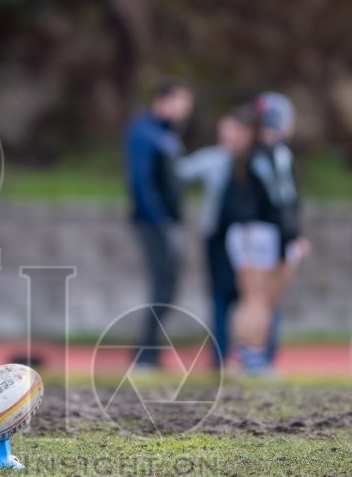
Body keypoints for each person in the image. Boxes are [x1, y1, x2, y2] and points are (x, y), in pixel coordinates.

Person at [227, 92, 308, 375]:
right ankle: (251, 357)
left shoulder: (256, 150)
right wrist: (292, 234)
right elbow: (281, 199)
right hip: (258, 231)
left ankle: (247, 355)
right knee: (257, 299)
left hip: (259, 231)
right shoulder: (268, 153)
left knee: (257, 299)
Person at [177, 105, 259, 368]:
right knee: (220, 297)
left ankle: (252, 356)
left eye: (234, 128)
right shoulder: (213, 159)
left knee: (250, 296)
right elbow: (179, 172)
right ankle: (220, 357)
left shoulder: (254, 160)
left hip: (248, 239)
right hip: (217, 238)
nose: (229, 133)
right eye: (225, 128)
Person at [124, 80, 194, 368]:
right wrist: (160, 219)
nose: (186, 110)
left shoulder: (168, 133)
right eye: (182, 102)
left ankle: (148, 350)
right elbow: (141, 181)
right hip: (153, 223)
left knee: (169, 287)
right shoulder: (144, 132)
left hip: (168, 222)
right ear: (163, 100)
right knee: (162, 286)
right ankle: (146, 354)